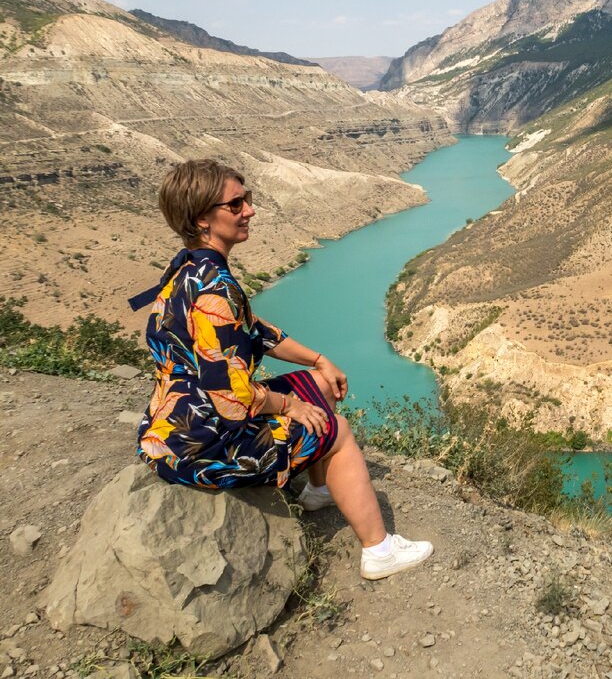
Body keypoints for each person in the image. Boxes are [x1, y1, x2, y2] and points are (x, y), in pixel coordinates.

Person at [128, 159, 432, 580]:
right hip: (200, 446)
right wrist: (287, 404)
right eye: (236, 204)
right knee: (337, 430)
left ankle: (320, 491)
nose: (249, 209)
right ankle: (379, 551)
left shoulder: (190, 271)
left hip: (180, 425)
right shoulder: (214, 289)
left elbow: (253, 330)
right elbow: (231, 399)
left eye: (247, 198)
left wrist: (318, 361)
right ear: (202, 218)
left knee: (319, 387)